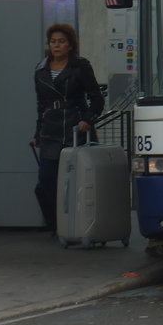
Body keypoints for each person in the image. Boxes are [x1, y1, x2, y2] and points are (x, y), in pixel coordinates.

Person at [31, 23, 105, 231]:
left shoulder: (80, 66)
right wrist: (37, 133)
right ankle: (55, 225)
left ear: (70, 45)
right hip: (51, 131)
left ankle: (79, 223)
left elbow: (96, 98)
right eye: (53, 41)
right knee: (45, 182)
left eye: (62, 41)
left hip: (76, 129)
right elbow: (41, 105)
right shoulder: (40, 69)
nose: (57, 46)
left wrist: (87, 120)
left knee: (78, 181)